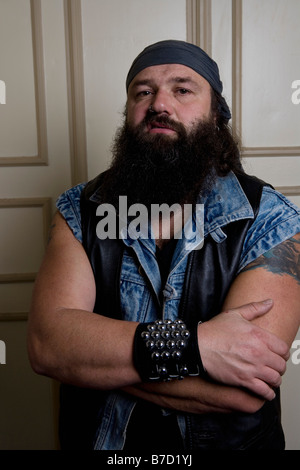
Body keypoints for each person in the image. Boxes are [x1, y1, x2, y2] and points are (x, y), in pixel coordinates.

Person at [27, 40, 300, 450]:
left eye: (183, 89)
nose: (159, 104)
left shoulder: (271, 220)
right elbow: (48, 346)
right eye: (143, 91)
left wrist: (95, 363)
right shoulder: (79, 210)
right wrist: (196, 345)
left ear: (215, 113)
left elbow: (243, 391)